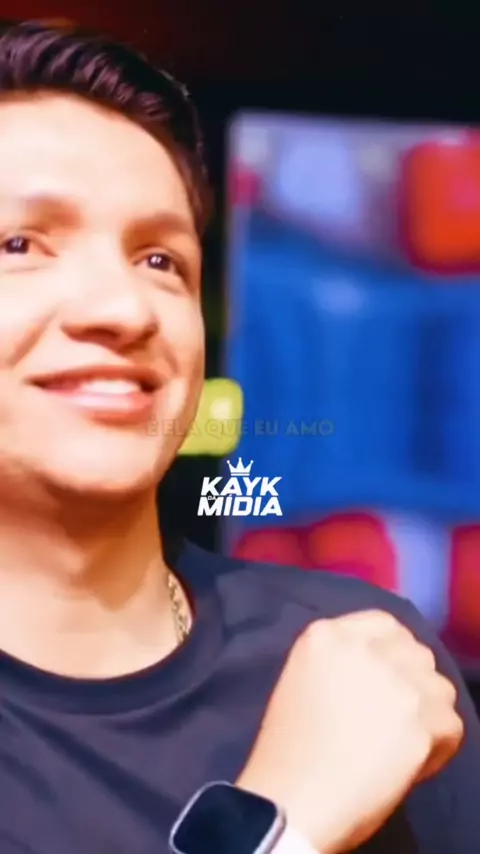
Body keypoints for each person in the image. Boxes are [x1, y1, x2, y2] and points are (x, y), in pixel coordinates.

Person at [0, 19, 478, 854]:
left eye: (160, 260)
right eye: (21, 245)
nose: (124, 309)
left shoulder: (372, 659)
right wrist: (284, 823)